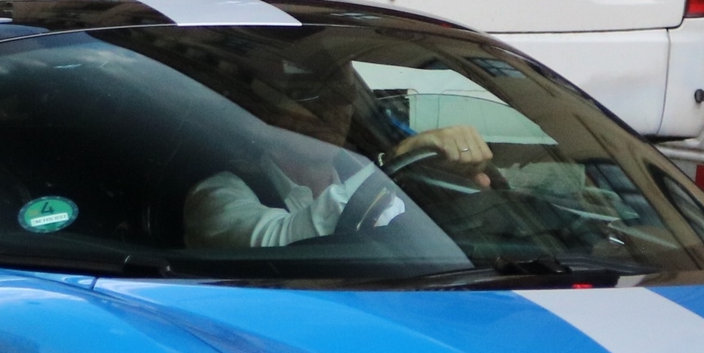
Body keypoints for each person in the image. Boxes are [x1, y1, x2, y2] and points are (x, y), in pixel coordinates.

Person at [183, 122, 492, 249]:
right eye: (307, 96)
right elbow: (282, 242)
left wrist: (465, 199)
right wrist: (391, 165)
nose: (329, 109)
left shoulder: (359, 173)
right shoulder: (215, 196)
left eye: (341, 95)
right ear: (262, 117)